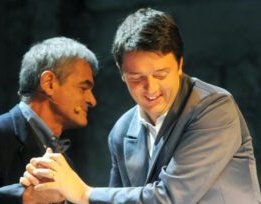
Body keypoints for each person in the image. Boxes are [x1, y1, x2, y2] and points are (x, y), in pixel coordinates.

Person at [21, 8, 261, 204]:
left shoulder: (214, 108)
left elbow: (171, 198)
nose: (151, 88)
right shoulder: (121, 131)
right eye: (137, 78)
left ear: (180, 65)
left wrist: (83, 193)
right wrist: (55, 185)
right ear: (122, 74)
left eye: (160, 74)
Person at [0, 36, 98, 203]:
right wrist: (24, 196)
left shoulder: (63, 157)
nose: (92, 100)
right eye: (83, 88)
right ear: (49, 83)